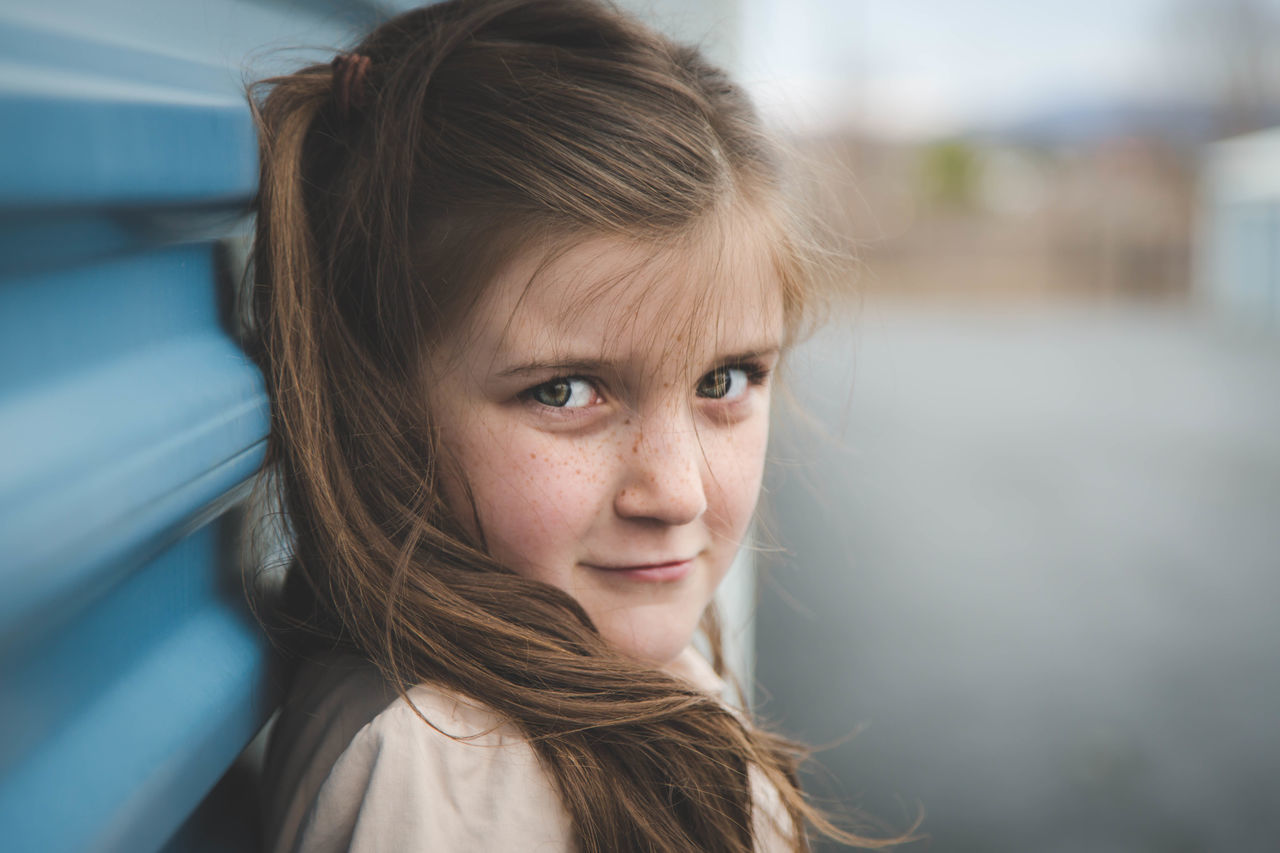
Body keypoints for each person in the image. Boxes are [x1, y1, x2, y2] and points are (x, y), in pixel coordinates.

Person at [247, 0, 910, 850]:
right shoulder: (449, 773)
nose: (676, 491)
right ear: (380, 396)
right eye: (565, 392)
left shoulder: (605, 670)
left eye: (725, 379)